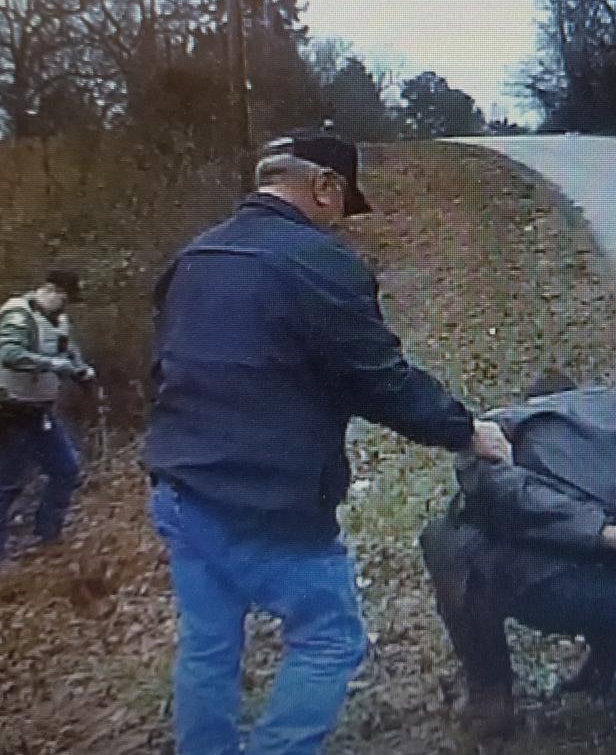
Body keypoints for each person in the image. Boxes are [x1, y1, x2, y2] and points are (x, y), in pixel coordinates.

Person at [145, 131, 511, 755]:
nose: (341, 222)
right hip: (270, 503)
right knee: (328, 637)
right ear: (323, 187)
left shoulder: (192, 259)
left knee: (209, 646)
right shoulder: (321, 264)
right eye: (342, 204)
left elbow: (160, 375)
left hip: (180, 489)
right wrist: (467, 431)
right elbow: (381, 381)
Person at [420, 373, 616, 753]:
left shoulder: (508, 427)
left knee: (446, 538)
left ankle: (491, 697)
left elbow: (500, 492)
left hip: (560, 586)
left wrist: (604, 532)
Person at [0, 269, 94, 567]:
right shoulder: (16, 315)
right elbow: (11, 354)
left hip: (40, 411)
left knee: (66, 469)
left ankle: (48, 536)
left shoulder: (58, 320)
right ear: (50, 290)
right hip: (8, 411)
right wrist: (52, 364)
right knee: (8, 483)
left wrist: (81, 370)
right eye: (64, 298)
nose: (66, 306)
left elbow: (69, 351)